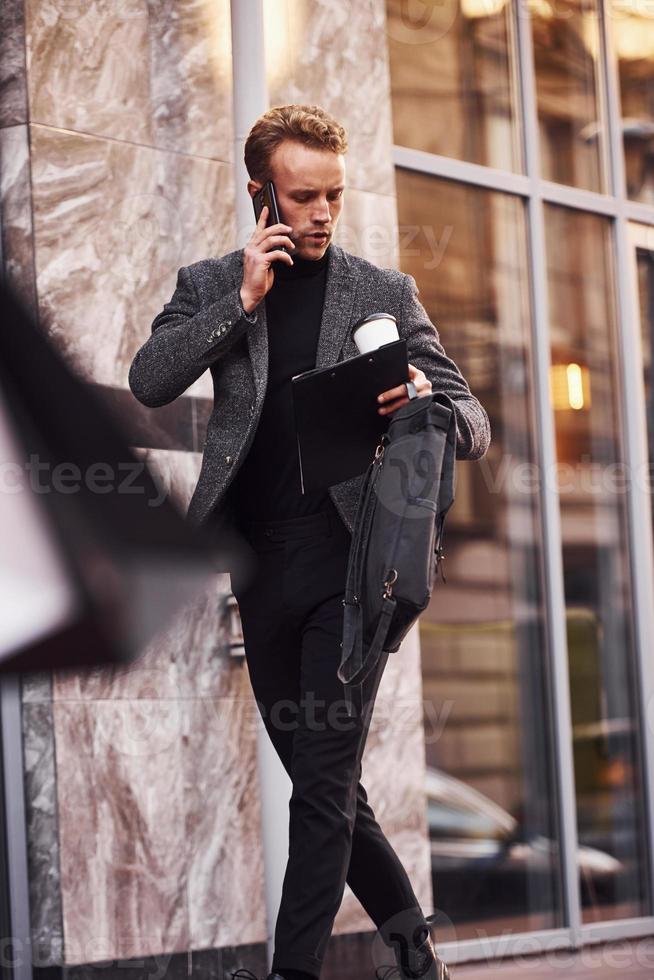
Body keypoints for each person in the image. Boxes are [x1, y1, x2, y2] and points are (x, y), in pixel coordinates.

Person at [128, 104, 490, 980]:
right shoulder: (212, 282)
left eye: (334, 193)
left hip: (352, 566)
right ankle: (409, 938)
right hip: (258, 567)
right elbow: (149, 381)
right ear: (261, 196)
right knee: (322, 783)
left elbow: (472, 422)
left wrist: (423, 399)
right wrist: (240, 301)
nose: (323, 212)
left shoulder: (382, 292)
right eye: (302, 196)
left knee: (323, 788)